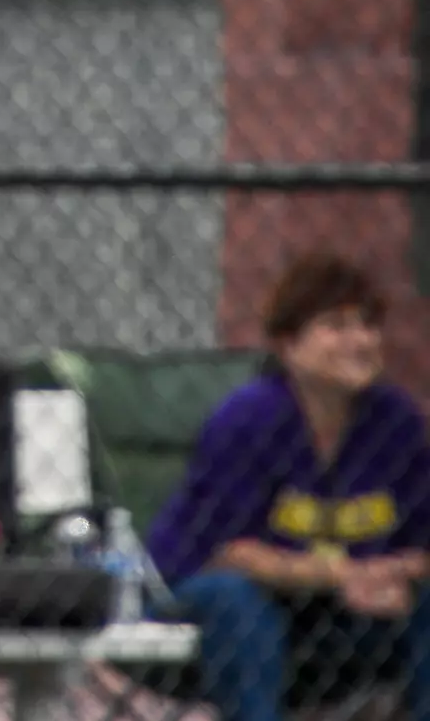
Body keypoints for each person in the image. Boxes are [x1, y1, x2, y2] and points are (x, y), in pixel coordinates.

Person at [145, 251, 430, 721]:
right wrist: (344, 576)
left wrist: (392, 577)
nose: (360, 341)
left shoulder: (396, 423)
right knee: (236, 599)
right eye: (337, 326)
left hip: (341, 623)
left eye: (368, 325)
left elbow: (422, 544)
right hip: (208, 615)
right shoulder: (247, 420)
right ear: (288, 344)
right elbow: (230, 553)